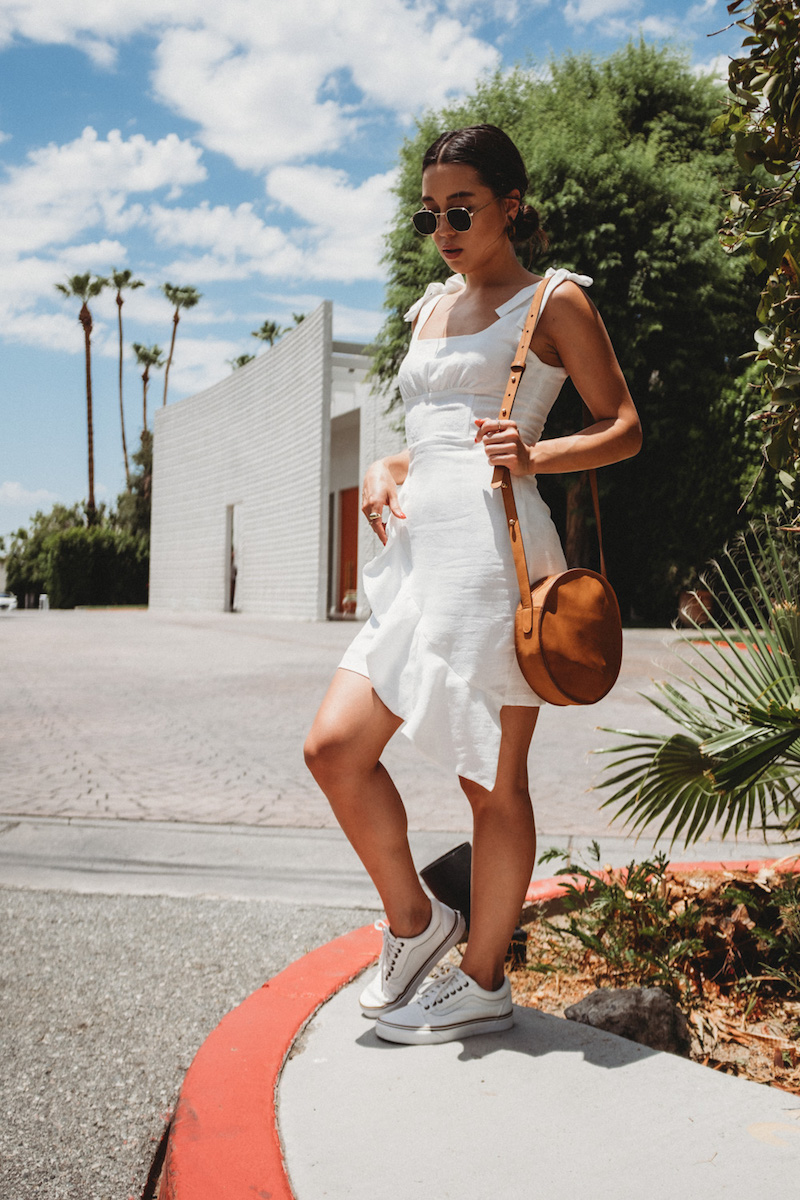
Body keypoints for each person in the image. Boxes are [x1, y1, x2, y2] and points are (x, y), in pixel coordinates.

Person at [304, 124, 641, 1046]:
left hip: (497, 557)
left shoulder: (552, 300)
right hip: (417, 557)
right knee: (334, 749)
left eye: (462, 209)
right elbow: (439, 430)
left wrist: (540, 452)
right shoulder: (428, 308)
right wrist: (387, 464)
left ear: (510, 206)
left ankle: (485, 978)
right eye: (430, 213)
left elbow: (623, 425)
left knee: (492, 788)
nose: (445, 228)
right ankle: (417, 922)